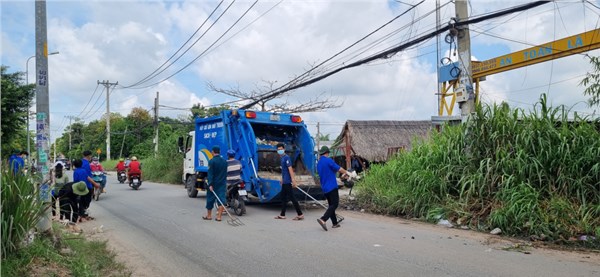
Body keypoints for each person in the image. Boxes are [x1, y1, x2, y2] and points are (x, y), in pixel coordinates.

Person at [316, 146, 350, 231]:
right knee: (335, 204)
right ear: (327, 153)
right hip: (331, 186)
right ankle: (323, 219)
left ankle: (335, 223)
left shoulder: (319, 163)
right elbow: (339, 169)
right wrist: (347, 172)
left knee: (331, 205)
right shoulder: (328, 160)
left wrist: (341, 175)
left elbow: (330, 171)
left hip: (324, 187)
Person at [274, 143, 304, 221]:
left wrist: (293, 180)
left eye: (281, 149)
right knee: (283, 197)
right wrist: (282, 179)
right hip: (285, 181)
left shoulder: (286, 158)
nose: (280, 150)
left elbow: (290, 169)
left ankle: (300, 214)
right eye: (278, 149)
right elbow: (284, 171)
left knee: (292, 198)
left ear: (284, 149)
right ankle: (282, 214)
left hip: (288, 182)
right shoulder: (282, 158)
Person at [202, 146, 227, 221]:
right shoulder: (224, 161)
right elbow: (225, 173)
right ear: (219, 152)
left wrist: (210, 184)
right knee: (221, 199)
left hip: (213, 184)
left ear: (213, 152)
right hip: (222, 183)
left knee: (210, 199)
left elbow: (210, 174)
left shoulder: (211, 161)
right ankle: (219, 217)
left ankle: (209, 216)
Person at [78, 151, 100, 221]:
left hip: (79, 185)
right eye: (91, 156)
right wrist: (95, 184)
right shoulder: (86, 164)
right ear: (89, 156)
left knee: (82, 200)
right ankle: (82, 214)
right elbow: (87, 176)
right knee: (87, 200)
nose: (91, 157)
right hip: (86, 185)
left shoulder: (81, 162)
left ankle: (82, 214)